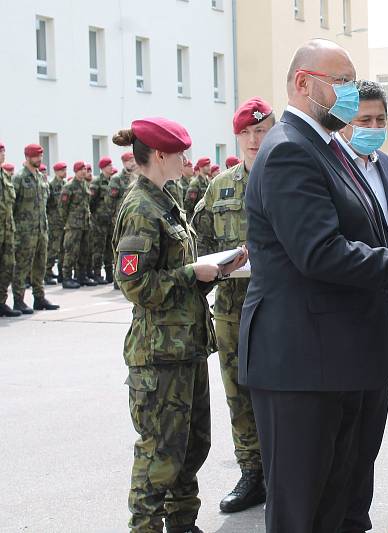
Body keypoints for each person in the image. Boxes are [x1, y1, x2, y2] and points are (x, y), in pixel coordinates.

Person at [238, 39, 388, 532]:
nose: (352, 94)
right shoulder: (291, 149)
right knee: (303, 513)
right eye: (343, 82)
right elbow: (319, 252)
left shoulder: (328, 148)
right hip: (301, 364)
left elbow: (367, 233)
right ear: (304, 83)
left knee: (337, 504)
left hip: (335, 357)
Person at [112, 117, 248, 533]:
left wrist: (218, 269)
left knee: (190, 447)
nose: (186, 160)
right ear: (159, 156)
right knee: (159, 456)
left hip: (185, 346)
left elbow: (177, 271)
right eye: (180, 153)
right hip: (158, 355)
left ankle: (183, 524)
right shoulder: (140, 208)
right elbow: (135, 284)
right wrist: (195, 274)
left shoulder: (166, 199)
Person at [333, 80, 388, 531]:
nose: (372, 128)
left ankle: (357, 517)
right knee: (340, 438)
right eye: (363, 121)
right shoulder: (330, 167)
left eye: (379, 121)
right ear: (345, 123)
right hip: (340, 324)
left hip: (382, 320)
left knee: (370, 433)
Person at [192, 96, 275, 514]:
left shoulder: (287, 176)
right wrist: (212, 266)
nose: (255, 139)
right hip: (230, 307)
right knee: (238, 393)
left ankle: (284, 471)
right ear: (238, 137)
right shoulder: (219, 186)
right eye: (247, 133)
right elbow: (198, 240)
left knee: (281, 390)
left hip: (279, 306)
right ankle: (252, 472)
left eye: (262, 131)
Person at [12, 144, 59, 313]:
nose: (39, 159)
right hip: (24, 232)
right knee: (22, 266)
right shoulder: (19, 178)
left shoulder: (41, 177)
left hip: (41, 230)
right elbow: (11, 206)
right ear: (27, 157)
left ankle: (39, 298)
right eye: (36, 156)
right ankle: (18, 300)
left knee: (40, 264)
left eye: (41, 156)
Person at [60, 162, 94, 289]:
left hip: (85, 224)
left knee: (84, 251)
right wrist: (68, 221)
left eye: (85, 169)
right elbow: (62, 207)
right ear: (76, 171)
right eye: (81, 169)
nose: (84, 171)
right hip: (74, 225)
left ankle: (81, 276)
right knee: (71, 251)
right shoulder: (69, 186)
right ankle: (67, 278)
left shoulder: (85, 184)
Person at [0, 141, 21, 317]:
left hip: (7, 231)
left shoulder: (6, 177)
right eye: (0, 152)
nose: (3, 154)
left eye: (3, 151)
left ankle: (1, 302)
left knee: (8, 266)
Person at [89, 156, 115, 284]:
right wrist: (96, 215)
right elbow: (91, 201)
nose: (111, 168)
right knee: (98, 247)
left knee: (110, 248)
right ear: (103, 168)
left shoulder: (113, 180)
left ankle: (110, 274)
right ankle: (97, 273)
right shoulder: (97, 182)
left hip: (110, 220)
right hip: (99, 221)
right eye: (109, 166)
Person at [46, 162, 67, 283]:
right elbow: (47, 204)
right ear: (56, 172)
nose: (64, 172)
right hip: (54, 222)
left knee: (62, 249)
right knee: (53, 248)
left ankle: (61, 272)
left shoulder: (65, 184)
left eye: (65, 170)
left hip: (63, 221)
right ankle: (47, 272)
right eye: (62, 170)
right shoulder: (51, 185)